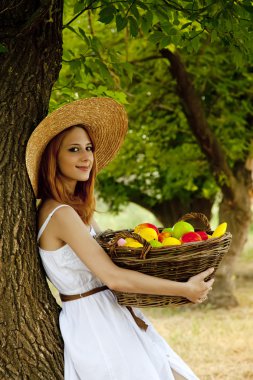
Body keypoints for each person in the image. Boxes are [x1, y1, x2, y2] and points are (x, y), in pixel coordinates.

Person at [25, 97, 214, 380]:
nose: (86, 157)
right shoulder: (59, 212)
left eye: (89, 148)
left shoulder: (76, 209)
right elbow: (113, 277)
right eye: (74, 150)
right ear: (54, 157)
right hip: (97, 325)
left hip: (116, 313)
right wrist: (183, 289)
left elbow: (118, 255)